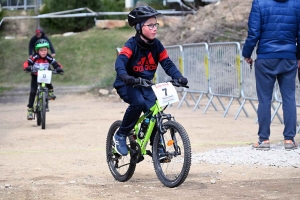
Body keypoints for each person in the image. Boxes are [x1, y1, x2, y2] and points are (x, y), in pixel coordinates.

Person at [113, 6, 188, 156]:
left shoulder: (157, 45)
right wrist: (126, 76)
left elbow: (167, 64)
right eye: (151, 25)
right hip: (127, 83)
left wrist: (178, 76)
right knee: (139, 103)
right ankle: (120, 135)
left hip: (145, 84)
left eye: (156, 25)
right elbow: (120, 62)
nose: (155, 28)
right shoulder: (131, 44)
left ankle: (158, 147)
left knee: (155, 110)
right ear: (139, 27)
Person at [242, 0, 300, 150]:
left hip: (266, 57)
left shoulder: (259, 3)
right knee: (289, 98)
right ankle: (289, 139)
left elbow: (254, 32)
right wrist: (298, 57)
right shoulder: (297, 3)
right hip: (288, 56)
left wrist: (247, 53)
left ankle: (264, 140)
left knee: (265, 100)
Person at [23, 39, 63, 120]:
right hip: (35, 75)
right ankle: (30, 109)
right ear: (37, 51)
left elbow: (55, 64)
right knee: (33, 92)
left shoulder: (48, 57)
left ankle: (50, 92)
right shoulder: (34, 57)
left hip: (45, 75)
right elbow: (27, 63)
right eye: (41, 50)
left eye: (45, 50)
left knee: (48, 83)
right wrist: (27, 67)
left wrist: (58, 68)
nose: (43, 52)